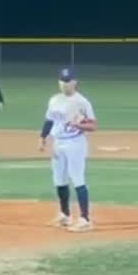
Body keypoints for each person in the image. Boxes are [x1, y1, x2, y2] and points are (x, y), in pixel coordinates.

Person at [41, 67, 98, 231]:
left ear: (74, 82)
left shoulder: (82, 102)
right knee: (59, 179)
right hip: (58, 143)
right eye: (62, 81)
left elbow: (93, 125)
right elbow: (49, 120)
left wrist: (78, 124)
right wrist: (42, 138)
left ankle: (84, 219)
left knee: (77, 178)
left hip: (75, 143)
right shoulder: (54, 100)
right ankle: (65, 215)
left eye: (67, 81)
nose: (64, 84)